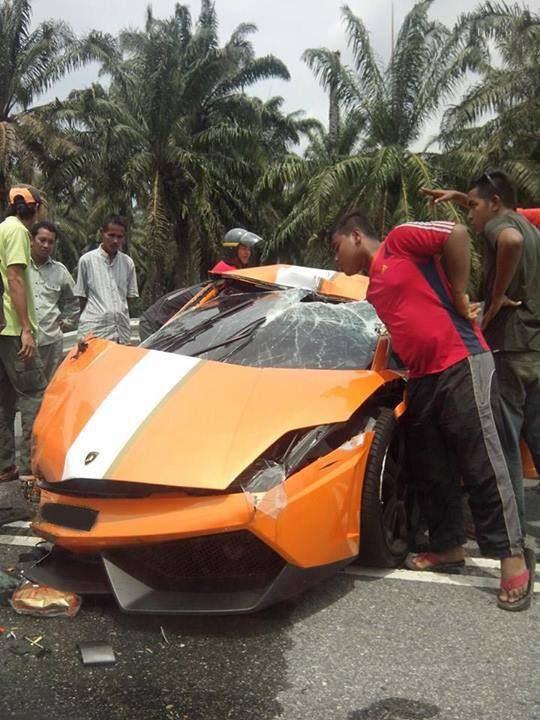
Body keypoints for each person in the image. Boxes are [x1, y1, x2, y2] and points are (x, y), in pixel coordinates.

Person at [331, 211, 535, 610]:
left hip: (461, 360)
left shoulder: (402, 239)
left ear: (356, 236)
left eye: (336, 248)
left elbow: (456, 233)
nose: (336, 259)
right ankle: (447, 548)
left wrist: (459, 294)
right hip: (422, 376)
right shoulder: (373, 290)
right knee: (431, 466)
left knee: (482, 461)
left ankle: (512, 557)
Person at [422, 175, 540, 524]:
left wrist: (498, 294)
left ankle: (512, 535)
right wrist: (461, 196)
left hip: (510, 349)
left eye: (473, 207)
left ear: (496, 202)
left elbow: (510, 241)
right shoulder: (530, 226)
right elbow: (515, 232)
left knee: (504, 448)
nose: (470, 217)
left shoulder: (501, 226)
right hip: (534, 347)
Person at [0, 184, 47, 483]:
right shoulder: (17, 231)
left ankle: (5, 465)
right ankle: (30, 468)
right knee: (34, 395)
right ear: (35, 208)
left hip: (1, 327)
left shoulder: (2, 227)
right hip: (15, 327)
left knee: (3, 399)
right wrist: (27, 329)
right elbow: (15, 277)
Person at [74, 215, 138, 345]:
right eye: (111, 235)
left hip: (121, 331)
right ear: (101, 233)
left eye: (120, 237)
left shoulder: (128, 263)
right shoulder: (87, 261)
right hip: (95, 331)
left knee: (119, 365)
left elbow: (130, 298)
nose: (115, 240)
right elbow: (81, 297)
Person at [29, 221, 79, 381]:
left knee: (51, 388)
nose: (46, 245)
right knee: (21, 392)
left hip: (50, 341)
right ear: (31, 240)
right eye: (42, 240)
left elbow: (75, 299)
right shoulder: (18, 267)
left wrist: (67, 322)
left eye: (50, 242)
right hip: (22, 342)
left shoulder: (60, 271)